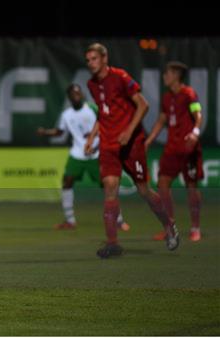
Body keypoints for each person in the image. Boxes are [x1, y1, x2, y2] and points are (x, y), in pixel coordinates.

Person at [83, 43, 178, 258]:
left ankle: (169, 225)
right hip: (108, 143)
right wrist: (91, 137)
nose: (91, 63)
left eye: (94, 58)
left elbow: (143, 105)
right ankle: (113, 243)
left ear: (104, 58)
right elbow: (103, 113)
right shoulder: (91, 84)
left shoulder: (120, 77)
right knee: (110, 185)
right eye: (88, 60)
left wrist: (128, 131)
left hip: (131, 143)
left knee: (143, 190)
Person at [37, 84, 129, 231]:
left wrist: (100, 144)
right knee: (67, 181)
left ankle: (118, 220)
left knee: (108, 186)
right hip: (77, 153)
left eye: (79, 93)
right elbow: (60, 132)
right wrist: (46, 132)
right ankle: (70, 220)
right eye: (74, 94)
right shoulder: (66, 115)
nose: (77, 96)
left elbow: (107, 124)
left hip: (97, 153)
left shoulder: (92, 109)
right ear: (69, 97)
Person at [145, 61, 203, 242]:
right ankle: (170, 226)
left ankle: (195, 228)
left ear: (176, 75)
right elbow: (161, 121)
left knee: (191, 187)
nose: (164, 76)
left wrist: (194, 133)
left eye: (167, 73)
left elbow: (198, 115)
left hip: (188, 148)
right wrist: (148, 141)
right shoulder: (166, 97)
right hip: (171, 148)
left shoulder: (189, 94)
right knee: (162, 184)